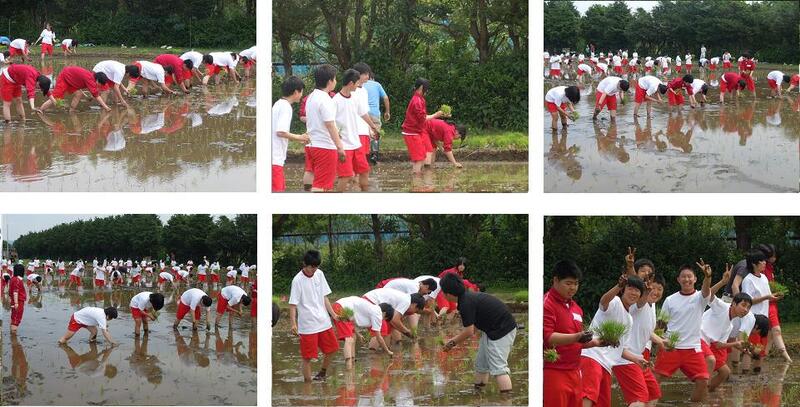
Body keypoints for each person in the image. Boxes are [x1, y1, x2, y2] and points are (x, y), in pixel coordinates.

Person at [440, 273, 517, 393]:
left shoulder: (465, 303)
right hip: (491, 330)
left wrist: (451, 343)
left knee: (499, 368)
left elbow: (469, 331)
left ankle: (506, 400)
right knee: (481, 364)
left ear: (448, 294)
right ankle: (478, 395)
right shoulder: (466, 298)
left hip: (502, 330)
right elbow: (474, 326)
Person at [580, 271, 649, 407]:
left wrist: (636, 359)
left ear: (640, 295)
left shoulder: (629, 319)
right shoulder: (615, 302)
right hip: (592, 357)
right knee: (587, 396)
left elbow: (620, 349)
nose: (633, 293)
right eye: (630, 288)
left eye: (637, 291)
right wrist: (617, 286)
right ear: (623, 290)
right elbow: (603, 301)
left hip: (606, 365)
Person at [653, 261, 716, 402]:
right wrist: (658, 344)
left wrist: (708, 276)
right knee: (655, 378)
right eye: (683, 276)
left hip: (693, 348)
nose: (687, 279)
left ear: (695, 279)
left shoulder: (701, 298)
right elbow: (661, 324)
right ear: (678, 280)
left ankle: (692, 404)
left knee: (703, 381)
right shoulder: (670, 300)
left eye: (690, 276)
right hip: (671, 347)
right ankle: (648, 403)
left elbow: (706, 290)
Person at [544, 261, 600, 407]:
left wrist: (597, 342)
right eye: (568, 283)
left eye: (576, 283)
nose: (573, 288)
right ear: (555, 280)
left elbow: (577, 341)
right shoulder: (547, 304)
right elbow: (548, 337)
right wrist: (577, 337)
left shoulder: (576, 308)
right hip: (554, 371)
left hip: (575, 370)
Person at [288, 249, 340, 382]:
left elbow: (324, 297)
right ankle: (308, 386)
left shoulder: (320, 274)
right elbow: (293, 305)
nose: (314, 270)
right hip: (308, 325)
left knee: (333, 349)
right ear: (304, 264)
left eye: (316, 267)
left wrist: (333, 314)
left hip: (323, 321)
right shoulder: (297, 280)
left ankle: (322, 373)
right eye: (311, 267)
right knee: (307, 357)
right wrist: (293, 324)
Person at [332, 69, 379, 192]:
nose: (359, 85)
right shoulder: (335, 101)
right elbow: (330, 123)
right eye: (358, 83)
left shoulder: (354, 98)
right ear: (351, 83)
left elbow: (363, 113)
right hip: (344, 146)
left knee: (364, 171)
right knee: (345, 176)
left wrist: (372, 126)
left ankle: (364, 195)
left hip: (356, 143)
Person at [740, 249, 790, 362]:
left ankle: (758, 374)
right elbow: (748, 301)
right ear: (754, 264)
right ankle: (745, 373)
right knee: (751, 349)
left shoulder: (764, 278)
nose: (764, 263)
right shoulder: (748, 280)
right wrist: (767, 297)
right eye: (761, 261)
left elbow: (767, 295)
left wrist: (774, 295)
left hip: (764, 319)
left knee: (760, 350)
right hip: (753, 320)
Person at [701, 289, 750, 392]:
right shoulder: (723, 307)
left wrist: (742, 349)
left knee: (725, 372)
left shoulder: (729, 326)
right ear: (734, 303)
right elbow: (709, 295)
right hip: (697, 336)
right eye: (743, 305)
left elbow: (719, 345)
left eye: (748, 308)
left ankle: (707, 391)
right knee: (711, 361)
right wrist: (723, 282)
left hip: (709, 343)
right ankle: (703, 391)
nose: (746, 310)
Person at [305, 65, 345, 192]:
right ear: (329, 81)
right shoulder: (326, 99)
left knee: (318, 182)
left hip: (312, 145)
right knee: (321, 186)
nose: (336, 82)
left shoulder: (311, 97)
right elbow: (330, 125)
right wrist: (340, 147)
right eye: (335, 79)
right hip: (324, 147)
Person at [401, 78, 447, 174]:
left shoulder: (419, 99)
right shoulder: (417, 101)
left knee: (422, 156)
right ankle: (417, 182)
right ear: (422, 87)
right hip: (411, 133)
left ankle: (417, 179)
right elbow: (423, 118)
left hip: (416, 131)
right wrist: (435, 115)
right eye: (427, 89)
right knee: (419, 159)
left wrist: (436, 115)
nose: (427, 91)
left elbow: (423, 117)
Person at [333, 297, 394, 367]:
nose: (382, 320)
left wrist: (359, 335)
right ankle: (348, 368)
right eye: (385, 318)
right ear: (384, 313)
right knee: (349, 339)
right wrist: (388, 351)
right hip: (342, 308)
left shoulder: (371, 308)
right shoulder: (378, 313)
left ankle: (352, 363)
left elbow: (351, 322)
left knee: (353, 336)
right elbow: (379, 337)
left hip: (339, 305)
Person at [38, 66, 111, 112]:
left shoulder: (91, 78)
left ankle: (71, 111)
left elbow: (94, 92)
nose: (100, 86)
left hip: (71, 80)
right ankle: (40, 110)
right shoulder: (90, 79)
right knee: (56, 97)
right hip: (64, 77)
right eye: (100, 84)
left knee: (79, 94)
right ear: (97, 80)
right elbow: (96, 95)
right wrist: (106, 107)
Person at [361, 67, 390, 163]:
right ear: (372, 77)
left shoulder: (361, 85)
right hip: (374, 113)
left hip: (363, 113)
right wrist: (387, 112)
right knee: (376, 132)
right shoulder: (377, 85)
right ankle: (374, 154)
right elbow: (385, 98)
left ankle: (363, 153)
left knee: (364, 132)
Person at [9, 264, 27, 334]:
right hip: (18, 301)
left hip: (15, 300)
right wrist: (16, 303)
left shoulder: (13, 278)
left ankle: (12, 332)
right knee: (16, 319)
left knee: (14, 317)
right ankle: (13, 337)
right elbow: (15, 292)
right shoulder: (17, 280)